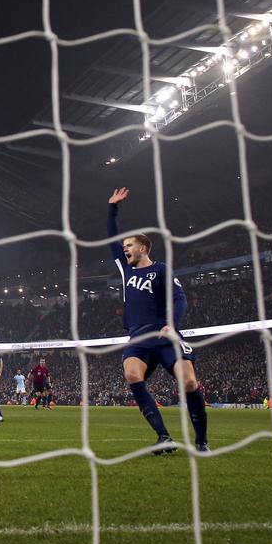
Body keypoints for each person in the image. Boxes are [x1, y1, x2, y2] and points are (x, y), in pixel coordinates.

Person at [108, 187, 208, 453]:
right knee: (131, 374)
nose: (125, 249)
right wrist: (112, 208)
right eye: (125, 246)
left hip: (164, 335)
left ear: (143, 247)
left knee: (188, 382)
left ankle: (201, 442)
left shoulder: (161, 269)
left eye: (130, 245)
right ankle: (164, 437)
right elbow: (111, 238)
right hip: (138, 337)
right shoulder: (125, 268)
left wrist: (171, 324)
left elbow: (180, 298)